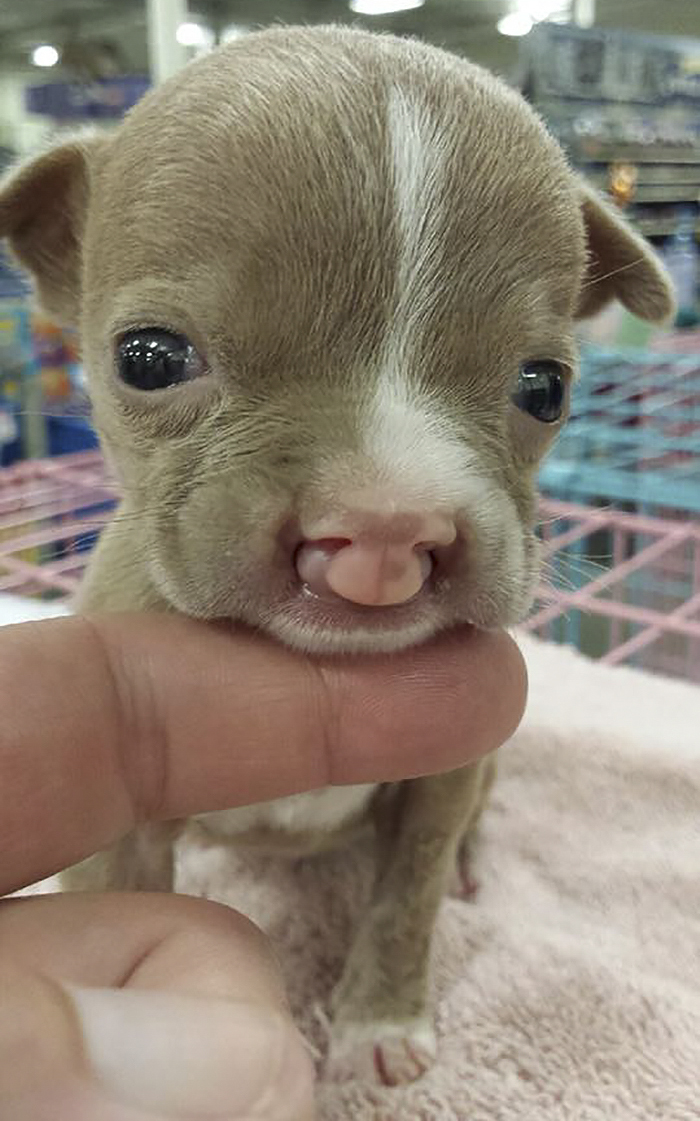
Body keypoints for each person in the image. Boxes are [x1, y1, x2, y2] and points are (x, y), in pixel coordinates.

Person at [0, 612, 526, 1120]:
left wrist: (391, 985)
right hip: (210, 797)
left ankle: (453, 853)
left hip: (364, 802)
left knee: (458, 733)